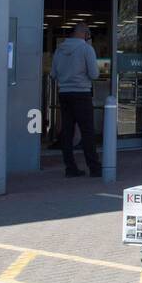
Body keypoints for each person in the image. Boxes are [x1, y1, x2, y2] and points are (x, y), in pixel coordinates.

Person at [49, 23, 102, 177]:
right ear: (85, 34)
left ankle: (70, 167)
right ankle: (94, 167)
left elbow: (53, 74)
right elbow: (94, 74)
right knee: (87, 132)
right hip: (82, 93)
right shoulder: (86, 49)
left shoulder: (59, 49)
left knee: (67, 131)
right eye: (88, 34)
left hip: (64, 93)